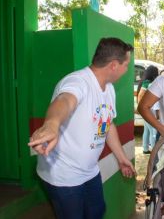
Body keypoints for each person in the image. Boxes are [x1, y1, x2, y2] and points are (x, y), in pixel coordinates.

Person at [28, 38, 136, 219]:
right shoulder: (78, 82)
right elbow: (65, 101)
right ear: (114, 65)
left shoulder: (108, 89)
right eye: (126, 65)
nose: (127, 70)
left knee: (96, 212)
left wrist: (122, 158)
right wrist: (52, 124)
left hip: (89, 171)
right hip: (64, 175)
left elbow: (107, 125)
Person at [137, 65, 159, 154]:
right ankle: (154, 150)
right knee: (153, 130)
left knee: (146, 130)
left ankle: (145, 149)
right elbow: (140, 95)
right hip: (149, 110)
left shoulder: (146, 82)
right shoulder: (148, 83)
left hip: (147, 109)